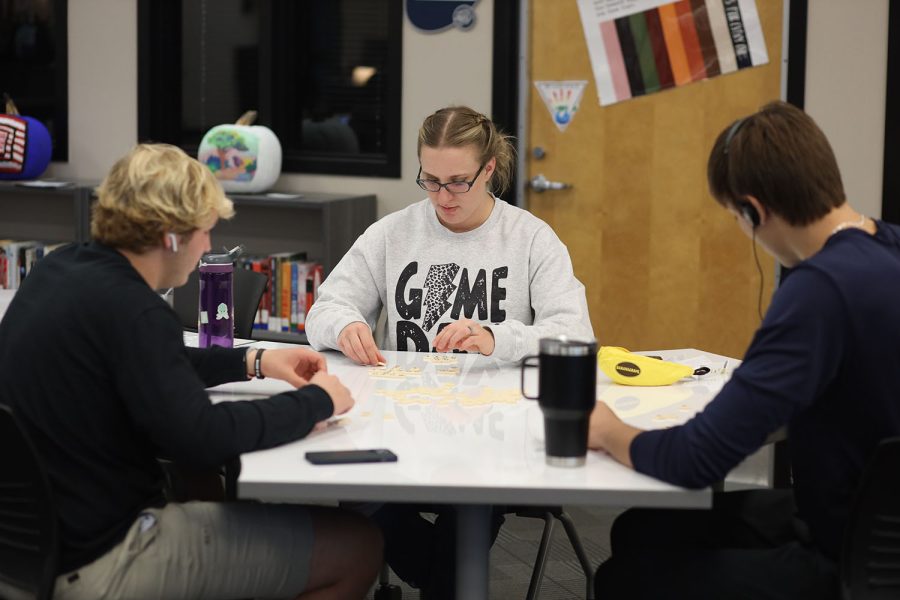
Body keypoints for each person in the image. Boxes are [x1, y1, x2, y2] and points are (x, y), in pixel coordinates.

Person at [0, 143, 382, 600]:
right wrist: (318, 400)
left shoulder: (60, 270)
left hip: (32, 548)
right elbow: (205, 436)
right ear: (171, 235)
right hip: (102, 558)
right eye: (204, 231)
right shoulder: (136, 310)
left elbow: (155, 365)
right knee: (359, 546)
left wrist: (255, 360)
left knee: (204, 487)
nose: (207, 247)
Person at [587, 101, 900, 599]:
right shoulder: (889, 247)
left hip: (852, 558)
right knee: (643, 529)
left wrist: (608, 429)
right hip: (871, 516)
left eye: (736, 216)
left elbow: (695, 461)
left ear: (755, 209)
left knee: (624, 579)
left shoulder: (817, 292)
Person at [305, 106, 594, 599]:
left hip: (493, 437)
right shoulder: (393, 233)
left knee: (468, 510)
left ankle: (446, 584)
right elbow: (324, 310)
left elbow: (576, 334)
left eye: (458, 182)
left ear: (489, 170)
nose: (443, 197)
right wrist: (347, 324)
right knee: (357, 497)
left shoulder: (529, 238)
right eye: (431, 181)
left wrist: (497, 338)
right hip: (399, 426)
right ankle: (448, 584)